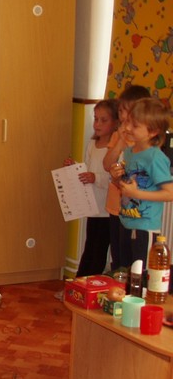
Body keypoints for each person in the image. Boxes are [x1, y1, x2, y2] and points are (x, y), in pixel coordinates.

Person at [108, 98, 173, 268]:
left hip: (145, 226)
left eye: (135, 125)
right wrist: (116, 178)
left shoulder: (155, 157)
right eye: (128, 121)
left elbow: (170, 193)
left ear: (153, 132)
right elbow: (127, 187)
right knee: (124, 270)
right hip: (126, 221)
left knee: (141, 274)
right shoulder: (130, 152)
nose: (128, 128)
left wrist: (136, 194)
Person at [62, 99, 120, 276]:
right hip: (92, 207)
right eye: (96, 119)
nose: (97, 124)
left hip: (106, 210)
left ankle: (88, 282)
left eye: (104, 120)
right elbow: (87, 170)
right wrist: (74, 168)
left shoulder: (116, 149)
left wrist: (95, 178)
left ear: (115, 122)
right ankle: (81, 281)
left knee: (98, 251)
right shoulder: (92, 145)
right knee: (90, 246)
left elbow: (114, 177)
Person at [101, 85, 152, 270]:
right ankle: (119, 283)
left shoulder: (145, 142)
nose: (123, 116)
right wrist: (121, 141)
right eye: (121, 110)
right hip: (116, 206)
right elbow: (107, 164)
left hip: (135, 210)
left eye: (127, 111)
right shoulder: (118, 135)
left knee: (135, 259)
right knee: (118, 256)